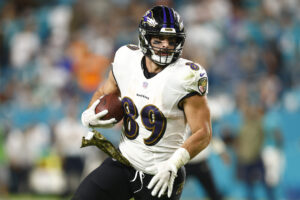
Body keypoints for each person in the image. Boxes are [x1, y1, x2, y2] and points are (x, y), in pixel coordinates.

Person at [72, 5, 212, 200]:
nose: (165, 45)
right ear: (144, 38)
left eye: (171, 40)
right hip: (124, 162)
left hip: (161, 173)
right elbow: (104, 92)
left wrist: (174, 163)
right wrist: (89, 113)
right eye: (159, 39)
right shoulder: (126, 58)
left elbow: (203, 133)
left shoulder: (188, 76)